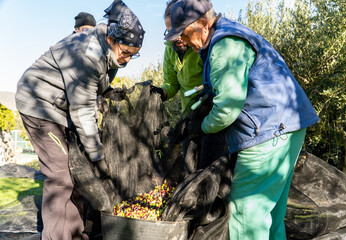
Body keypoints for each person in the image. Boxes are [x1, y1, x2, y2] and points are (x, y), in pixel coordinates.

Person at [164, 0, 319, 239]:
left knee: (246, 218)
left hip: (267, 135)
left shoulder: (224, 44)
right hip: (286, 128)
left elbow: (227, 109)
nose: (182, 41)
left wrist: (200, 127)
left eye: (184, 33)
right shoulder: (228, 34)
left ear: (204, 24)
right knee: (271, 217)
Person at [15, 0, 145, 239]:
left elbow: (96, 89)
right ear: (110, 40)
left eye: (132, 56)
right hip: (39, 105)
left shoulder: (109, 55)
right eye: (124, 52)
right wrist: (98, 156)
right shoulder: (88, 55)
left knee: (77, 171)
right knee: (60, 175)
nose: (126, 59)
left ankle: (76, 233)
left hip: (61, 107)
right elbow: (83, 110)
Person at [153, 0, 228, 170]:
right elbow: (171, 83)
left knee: (208, 166)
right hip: (189, 116)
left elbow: (218, 86)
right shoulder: (170, 50)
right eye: (172, 31)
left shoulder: (201, 45)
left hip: (211, 113)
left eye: (181, 31)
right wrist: (161, 92)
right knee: (190, 165)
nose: (177, 37)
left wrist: (203, 121)